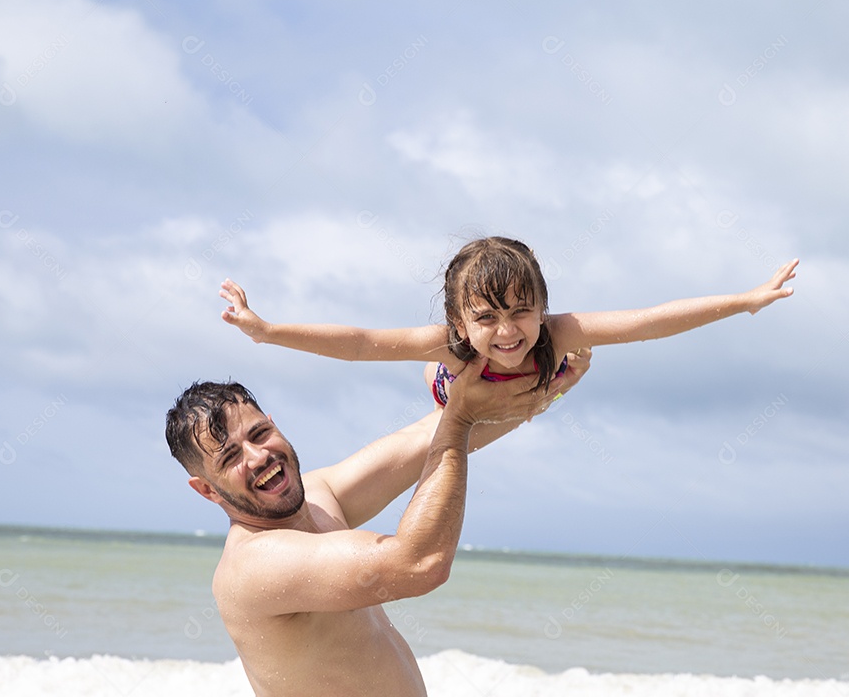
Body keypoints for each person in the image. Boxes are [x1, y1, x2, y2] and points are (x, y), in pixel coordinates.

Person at [164, 350, 589, 697]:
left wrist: (549, 385)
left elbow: (432, 436)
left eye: (258, 435)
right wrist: (459, 417)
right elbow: (420, 563)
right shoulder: (255, 564)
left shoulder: (320, 496)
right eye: (231, 457)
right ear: (207, 490)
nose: (258, 457)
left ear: (274, 424)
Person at [219, 236, 798, 406]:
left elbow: (648, 322)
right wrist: (268, 331)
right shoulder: (447, 345)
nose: (508, 331)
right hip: (456, 389)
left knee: (569, 366)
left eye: (523, 311)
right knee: (437, 373)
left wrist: (744, 300)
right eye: (487, 317)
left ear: (543, 307)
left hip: (531, 384)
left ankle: (554, 383)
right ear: (458, 319)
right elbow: (363, 343)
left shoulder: (556, 332)